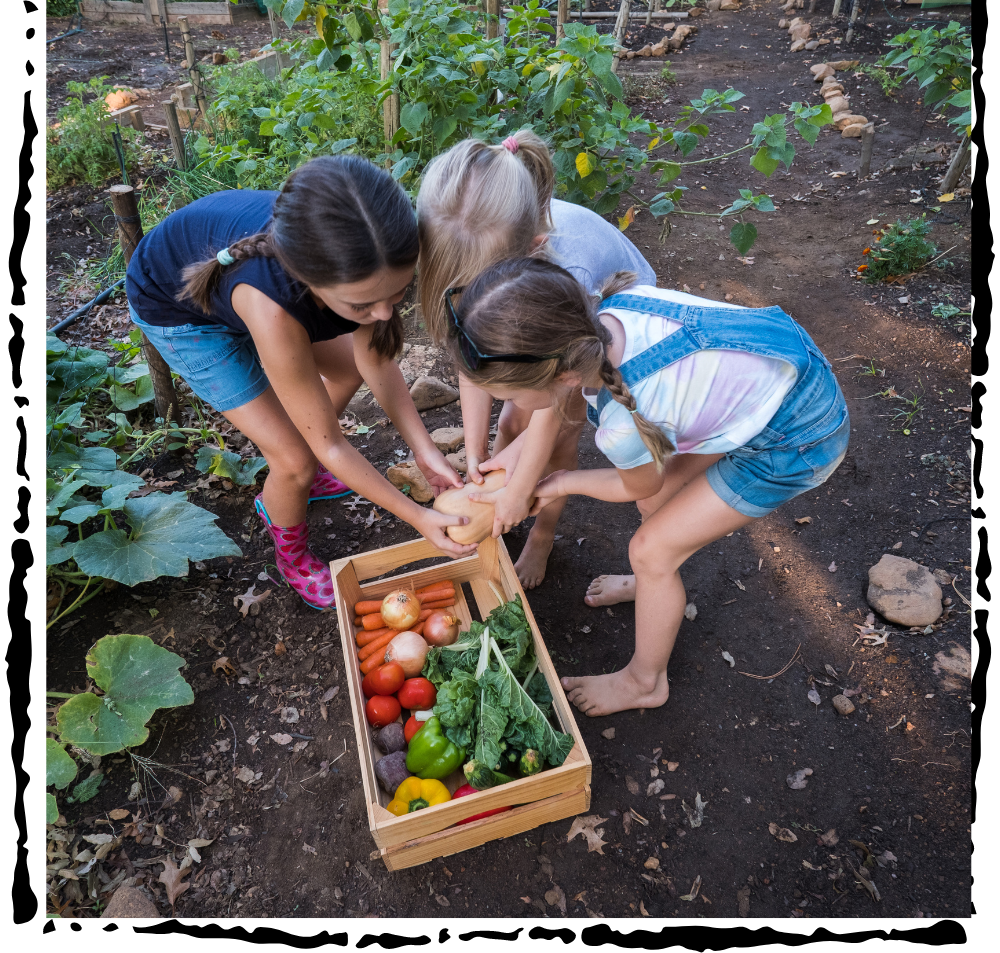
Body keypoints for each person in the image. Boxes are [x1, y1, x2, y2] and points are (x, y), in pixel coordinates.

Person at [443, 257, 849, 717]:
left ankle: (644, 681)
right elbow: (557, 409)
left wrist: (559, 482)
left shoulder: (622, 422)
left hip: (795, 436)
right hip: (777, 370)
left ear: (563, 375)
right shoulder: (601, 322)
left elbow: (633, 484)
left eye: (511, 397)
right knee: (660, 505)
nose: (509, 407)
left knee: (651, 550)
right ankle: (652, 587)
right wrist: (512, 464)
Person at [125, 155, 473, 611]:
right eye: (364, 305)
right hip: (177, 309)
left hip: (242, 290)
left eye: (398, 294)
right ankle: (291, 552)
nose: (386, 313)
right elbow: (332, 446)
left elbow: (376, 365)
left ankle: (300, 470)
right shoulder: (275, 308)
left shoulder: (365, 259)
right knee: (293, 460)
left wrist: (425, 453)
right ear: (311, 282)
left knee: (345, 371)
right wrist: (418, 516)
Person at [416, 129, 656, 589]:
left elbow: (556, 411)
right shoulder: (476, 249)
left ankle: (542, 535)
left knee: (556, 437)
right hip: (540, 336)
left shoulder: (569, 274)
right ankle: (503, 502)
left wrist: (524, 487)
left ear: (532, 251)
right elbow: (474, 361)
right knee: (509, 427)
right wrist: (475, 450)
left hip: (604, 335)